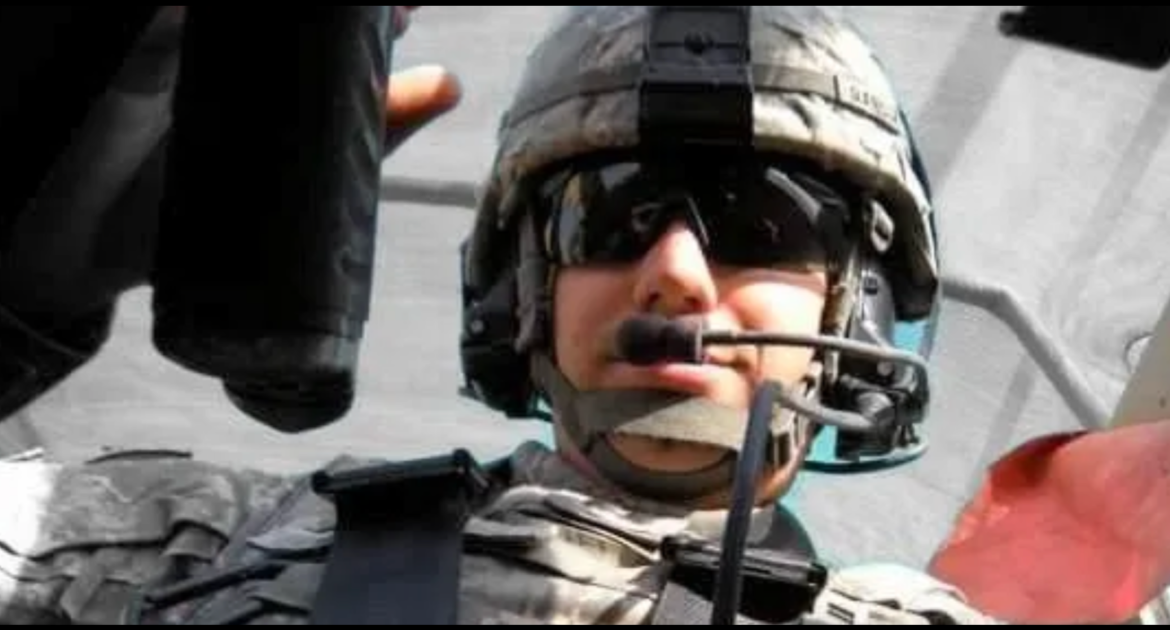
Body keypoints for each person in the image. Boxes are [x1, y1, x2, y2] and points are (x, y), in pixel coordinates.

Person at [0, 6, 1164, 626]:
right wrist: (18, 312)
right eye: (611, 217)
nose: (674, 276)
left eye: (763, 223)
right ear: (525, 290)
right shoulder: (168, 548)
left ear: (851, 304)